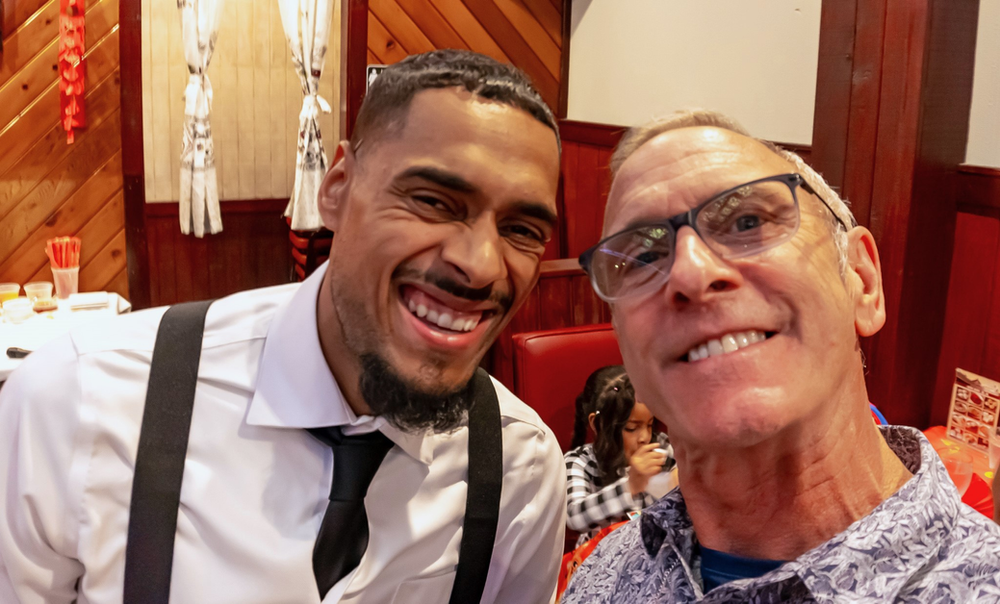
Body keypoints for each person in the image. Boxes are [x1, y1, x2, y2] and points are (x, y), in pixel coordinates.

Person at [0, 50, 566, 604]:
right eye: (433, 201)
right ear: (337, 188)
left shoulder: (520, 468)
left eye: (522, 229)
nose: (482, 265)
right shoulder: (79, 400)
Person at [562, 109, 1000, 602]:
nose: (690, 274)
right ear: (626, 347)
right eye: (642, 256)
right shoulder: (597, 579)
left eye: (747, 221)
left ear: (863, 282)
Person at [564, 365, 674, 545]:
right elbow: (575, 517)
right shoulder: (580, 462)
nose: (645, 437)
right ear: (598, 424)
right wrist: (630, 486)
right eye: (631, 428)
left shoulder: (661, 447)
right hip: (601, 561)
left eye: (649, 425)